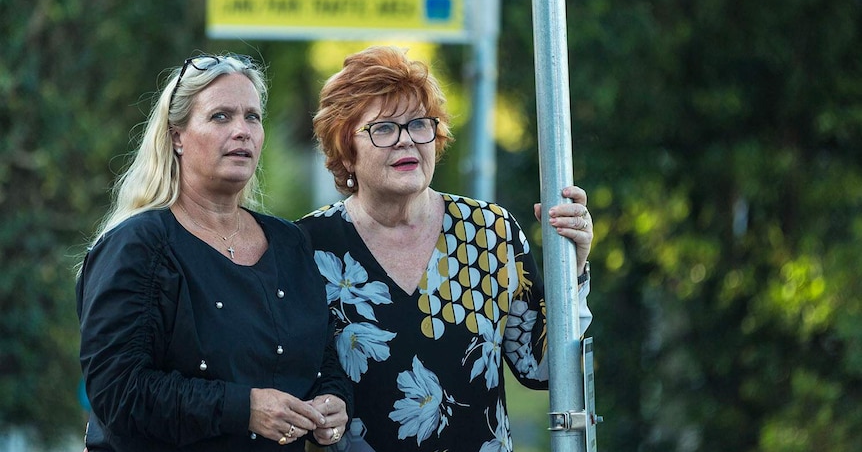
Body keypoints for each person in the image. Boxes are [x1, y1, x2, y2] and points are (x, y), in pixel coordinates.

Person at [297, 45, 593, 452]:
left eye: (420, 124)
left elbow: (540, 368)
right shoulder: (307, 247)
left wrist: (572, 268)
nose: (407, 141)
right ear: (346, 150)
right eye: (383, 128)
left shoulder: (490, 233)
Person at [76, 53, 351, 451]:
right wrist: (245, 408)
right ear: (176, 136)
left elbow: (322, 357)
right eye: (221, 116)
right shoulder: (138, 246)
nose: (242, 131)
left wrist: (334, 401)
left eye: (252, 117)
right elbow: (118, 393)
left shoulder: (290, 242)